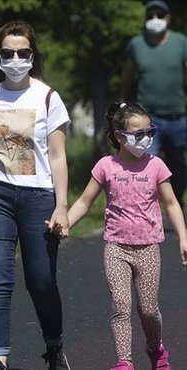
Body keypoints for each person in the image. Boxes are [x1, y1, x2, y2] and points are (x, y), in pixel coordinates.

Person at [0, 20, 71, 370]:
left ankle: (54, 347)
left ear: (32, 55)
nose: (15, 59)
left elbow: (57, 156)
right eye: (7, 53)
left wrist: (62, 206)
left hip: (38, 197)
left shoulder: (47, 97)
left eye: (22, 52)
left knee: (41, 280)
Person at [65, 101, 187, 370]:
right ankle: (124, 362)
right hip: (116, 247)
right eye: (139, 134)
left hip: (148, 248)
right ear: (120, 136)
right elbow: (85, 202)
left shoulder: (156, 165)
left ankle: (156, 349)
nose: (146, 139)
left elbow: (171, 204)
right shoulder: (106, 166)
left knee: (148, 311)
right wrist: (66, 223)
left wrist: (184, 237)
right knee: (120, 305)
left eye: (149, 132)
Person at [121, 0, 187, 210]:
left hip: (178, 116)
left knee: (177, 164)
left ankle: (175, 203)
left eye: (159, 15)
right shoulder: (136, 44)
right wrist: (123, 102)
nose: (154, 19)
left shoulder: (181, 42)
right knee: (146, 163)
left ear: (168, 18)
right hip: (148, 119)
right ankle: (148, 208)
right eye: (150, 16)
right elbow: (128, 75)